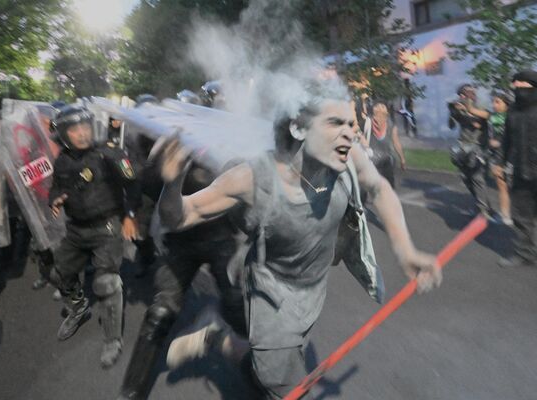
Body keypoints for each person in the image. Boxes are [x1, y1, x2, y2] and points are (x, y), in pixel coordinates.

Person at [153, 96, 442, 398]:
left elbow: (379, 187)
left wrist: (406, 250)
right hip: (270, 292)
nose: (350, 133)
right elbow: (181, 216)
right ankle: (231, 348)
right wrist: (172, 184)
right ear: (300, 129)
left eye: (350, 123)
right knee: (285, 386)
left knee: (272, 368)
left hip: (313, 286)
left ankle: (217, 338)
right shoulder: (253, 178)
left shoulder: (346, 154)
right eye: (335, 123)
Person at [116, 136, 247, 400]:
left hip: (220, 238)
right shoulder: (170, 151)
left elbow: (247, 196)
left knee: (237, 306)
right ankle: (130, 393)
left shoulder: (230, 152)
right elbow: (147, 189)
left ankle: (254, 367)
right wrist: (139, 220)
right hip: (180, 242)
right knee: (160, 311)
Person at [48, 104, 142, 368]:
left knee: (106, 283)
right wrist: (55, 199)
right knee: (57, 274)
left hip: (107, 227)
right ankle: (79, 310)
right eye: (74, 129)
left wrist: (130, 215)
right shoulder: (62, 160)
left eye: (85, 127)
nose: (81, 133)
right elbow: (56, 185)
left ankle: (113, 340)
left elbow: (133, 182)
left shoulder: (109, 154)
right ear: (64, 134)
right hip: (76, 229)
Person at [498, 70, 537, 268]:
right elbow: (506, 140)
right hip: (522, 171)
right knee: (522, 215)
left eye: (525, 87)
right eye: (517, 87)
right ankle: (525, 254)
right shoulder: (513, 110)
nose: (520, 91)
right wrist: (501, 163)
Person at [464, 90, 514, 225]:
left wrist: (502, 142)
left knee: (516, 186)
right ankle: (505, 215)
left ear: (507, 104)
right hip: (496, 155)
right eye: (493, 101)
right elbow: (471, 110)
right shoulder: (491, 115)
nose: (494, 104)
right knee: (501, 184)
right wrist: (469, 98)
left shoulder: (512, 116)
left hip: (511, 154)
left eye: (498, 102)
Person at [448, 84, 492, 216]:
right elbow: (451, 126)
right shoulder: (459, 108)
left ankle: (483, 209)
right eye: (461, 94)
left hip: (478, 145)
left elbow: (481, 122)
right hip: (463, 144)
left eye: (465, 93)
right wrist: (453, 113)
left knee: (477, 177)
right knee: (465, 177)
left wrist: (469, 110)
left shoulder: (480, 106)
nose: (463, 96)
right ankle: (483, 203)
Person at [360, 102, 406, 188]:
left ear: (387, 112)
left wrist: (402, 159)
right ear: (373, 109)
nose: (380, 109)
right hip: (371, 159)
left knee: (388, 186)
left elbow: (396, 142)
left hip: (386, 159)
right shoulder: (367, 122)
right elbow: (360, 136)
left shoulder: (391, 125)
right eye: (377, 106)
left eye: (382, 106)